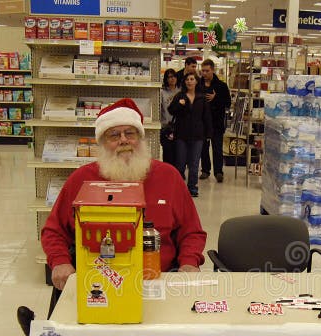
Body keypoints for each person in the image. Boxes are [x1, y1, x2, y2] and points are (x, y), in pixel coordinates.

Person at [41, 98, 207, 291]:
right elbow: (54, 230)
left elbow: (192, 231)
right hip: (96, 283)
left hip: (158, 281)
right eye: (114, 135)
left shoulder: (169, 177)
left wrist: (189, 262)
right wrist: (60, 260)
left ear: (140, 138)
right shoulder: (82, 179)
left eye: (130, 133)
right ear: (102, 143)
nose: (123, 140)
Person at [168, 72, 212, 198]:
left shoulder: (202, 98)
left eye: (192, 79)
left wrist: (209, 134)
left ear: (196, 81)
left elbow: (207, 117)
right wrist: (179, 105)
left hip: (198, 135)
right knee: (180, 163)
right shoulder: (180, 96)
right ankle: (179, 187)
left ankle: (192, 187)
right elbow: (171, 110)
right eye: (187, 79)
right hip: (181, 134)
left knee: (194, 164)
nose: (189, 81)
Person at [199, 58, 231, 183]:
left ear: (213, 70)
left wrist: (216, 98)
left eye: (207, 71)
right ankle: (205, 170)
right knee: (203, 148)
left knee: (217, 148)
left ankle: (218, 172)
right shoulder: (198, 85)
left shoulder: (221, 86)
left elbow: (228, 103)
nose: (204, 73)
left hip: (217, 122)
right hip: (202, 123)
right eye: (203, 71)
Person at [160, 68, 180, 166]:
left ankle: (178, 174)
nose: (172, 79)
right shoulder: (162, 93)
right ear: (166, 79)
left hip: (179, 127)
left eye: (173, 76)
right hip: (166, 127)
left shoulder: (181, 91)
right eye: (169, 77)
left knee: (178, 153)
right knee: (167, 153)